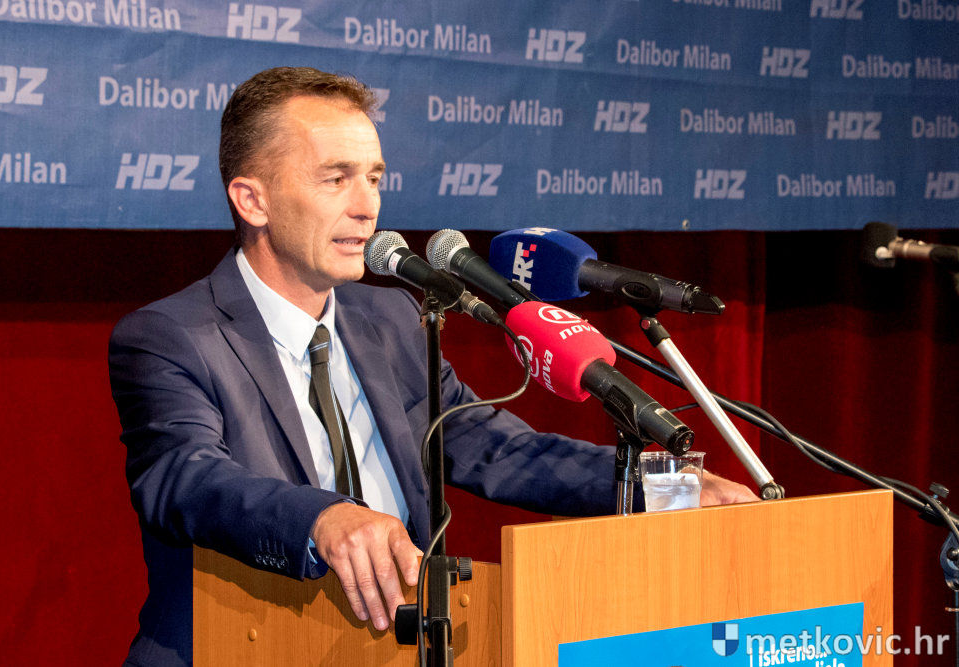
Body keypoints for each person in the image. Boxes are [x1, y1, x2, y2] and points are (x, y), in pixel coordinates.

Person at [108, 66, 756, 667]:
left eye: (374, 177)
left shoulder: (391, 319)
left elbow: (498, 450)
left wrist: (657, 485)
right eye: (336, 178)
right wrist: (322, 518)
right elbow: (187, 479)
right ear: (253, 200)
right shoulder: (171, 337)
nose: (367, 206)